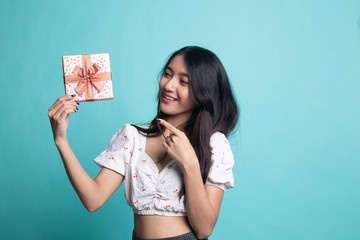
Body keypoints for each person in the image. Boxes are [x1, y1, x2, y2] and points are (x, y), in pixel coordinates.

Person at [48, 46, 239, 240]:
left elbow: (204, 229)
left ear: (204, 92)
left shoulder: (214, 145)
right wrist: (61, 140)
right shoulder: (132, 137)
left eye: (183, 81)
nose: (169, 85)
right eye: (167, 74)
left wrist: (189, 163)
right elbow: (93, 200)